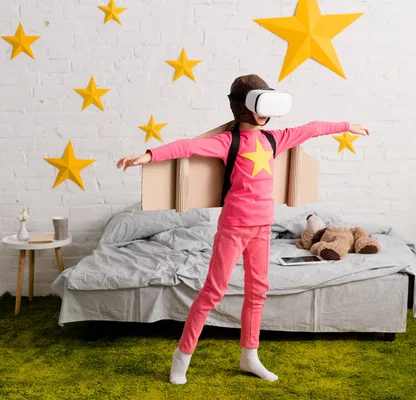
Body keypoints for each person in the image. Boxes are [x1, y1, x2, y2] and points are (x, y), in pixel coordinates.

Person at [116, 74, 370, 384]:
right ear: (244, 108)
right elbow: (189, 146)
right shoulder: (229, 141)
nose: (265, 111)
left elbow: (312, 128)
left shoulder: (274, 139)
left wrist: (346, 126)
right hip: (234, 227)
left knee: (258, 291)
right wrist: (149, 155)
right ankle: (181, 359)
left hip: (262, 228)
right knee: (212, 292)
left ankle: (250, 356)